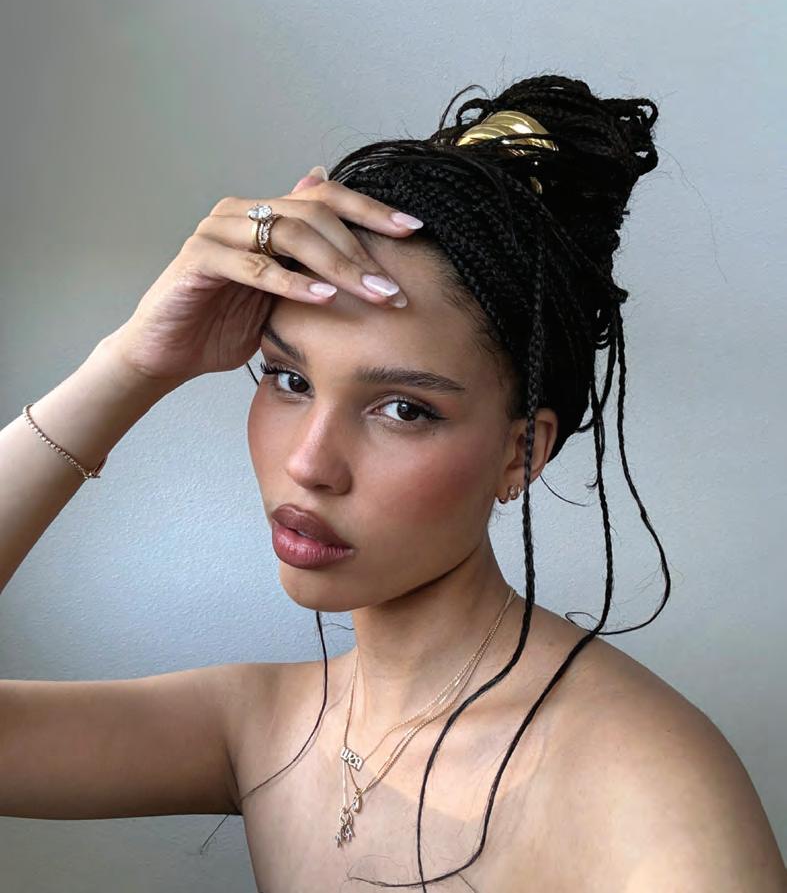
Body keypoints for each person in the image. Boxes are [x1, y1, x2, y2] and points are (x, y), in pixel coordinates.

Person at [0, 74, 783, 892]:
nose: (309, 463)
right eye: (289, 379)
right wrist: (131, 363)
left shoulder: (646, 788)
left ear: (521, 452)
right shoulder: (262, 726)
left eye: (404, 409)